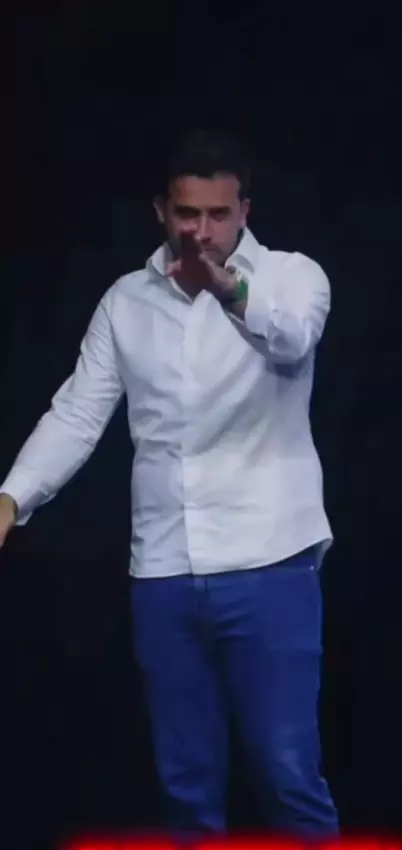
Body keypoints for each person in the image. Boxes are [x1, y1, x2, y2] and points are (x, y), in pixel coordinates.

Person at [0, 129, 338, 838]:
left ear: (244, 211)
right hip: (162, 572)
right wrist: (12, 497)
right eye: (188, 213)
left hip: (269, 564)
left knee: (286, 774)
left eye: (218, 214)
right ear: (162, 211)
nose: (202, 231)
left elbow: (292, 338)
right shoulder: (126, 301)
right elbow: (78, 413)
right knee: (185, 785)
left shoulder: (291, 277)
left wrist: (228, 289)